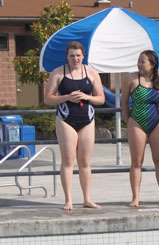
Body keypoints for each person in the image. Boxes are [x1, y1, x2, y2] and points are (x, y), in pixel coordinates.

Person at [43, 41, 105, 211]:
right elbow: (48, 98)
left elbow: (101, 99)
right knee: (68, 160)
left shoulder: (91, 72)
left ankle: (87, 198)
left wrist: (86, 97)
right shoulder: (58, 73)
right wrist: (67, 97)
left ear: (83, 56)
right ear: (67, 57)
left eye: (78, 55)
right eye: (72, 56)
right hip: (66, 119)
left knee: (84, 161)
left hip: (87, 119)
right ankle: (68, 199)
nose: (75, 59)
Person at [122, 50, 159, 207]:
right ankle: (135, 197)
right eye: (138, 61)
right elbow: (124, 104)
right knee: (137, 162)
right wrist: (129, 121)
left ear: (153, 64)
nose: (139, 64)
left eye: (142, 62)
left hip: (157, 121)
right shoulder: (131, 79)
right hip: (136, 121)